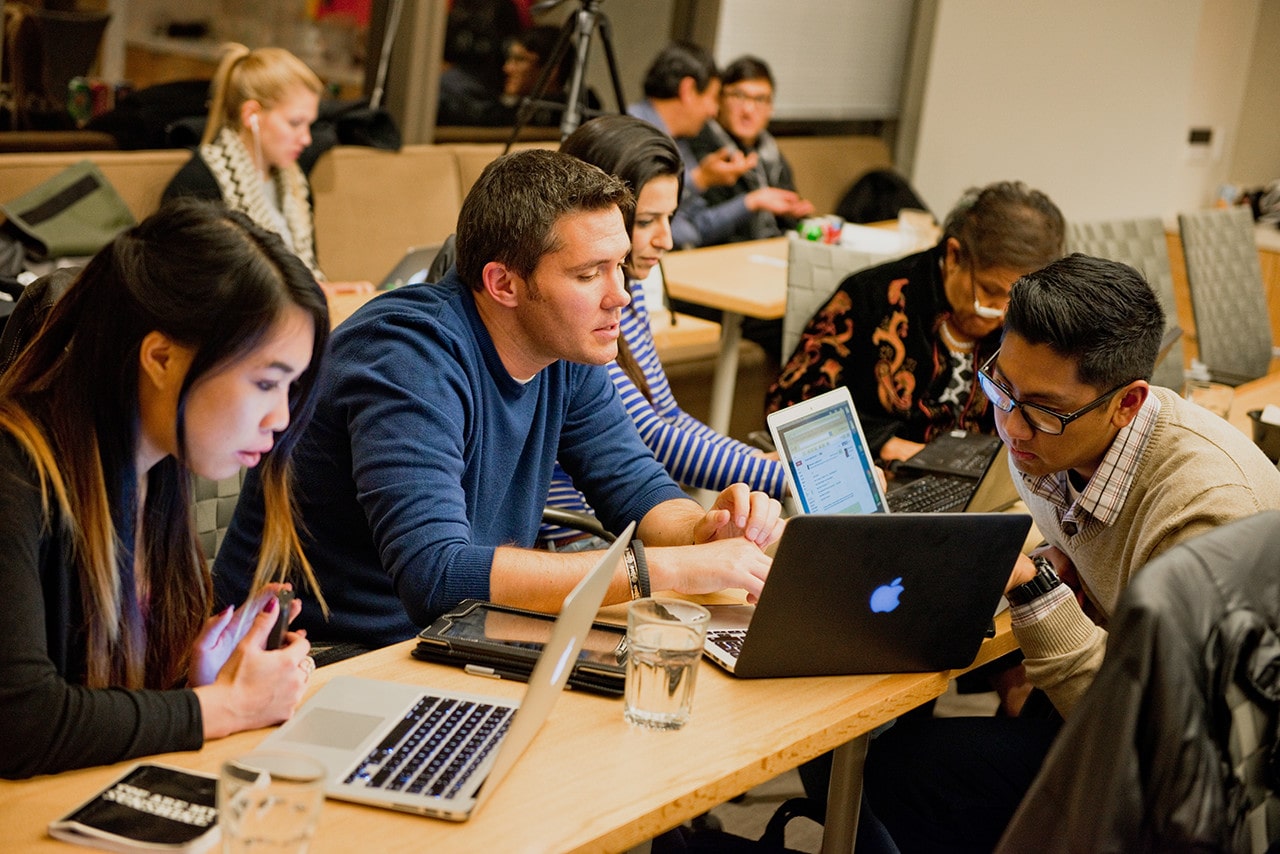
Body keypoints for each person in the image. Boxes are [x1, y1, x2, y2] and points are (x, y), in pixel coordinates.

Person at [213, 149, 784, 649]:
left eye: (619, 267)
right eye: (590, 275)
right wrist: (671, 568)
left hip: (446, 637)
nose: (621, 296)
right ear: (503, 283)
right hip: (312, 653)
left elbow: (639, 490)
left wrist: (704, 530)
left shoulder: (563, 349)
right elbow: (436, 578)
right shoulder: (407, 359)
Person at [860, 254, 1280, 852]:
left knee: (901, 774)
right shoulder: (1054, 438)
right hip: (1137, 692)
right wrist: (1061, 559)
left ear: (1128, 403)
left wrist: (1034, 587)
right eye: (1002, 388)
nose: (1012, 428)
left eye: (1043, 410)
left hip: (1200, 779)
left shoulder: (1204, 510)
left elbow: (1160, 739)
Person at [0, 199, 331, 779]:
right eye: (265, 383)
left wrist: (198, 681)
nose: (280, 417)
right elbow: (22, 723)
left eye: (291, 388)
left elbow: (100, 697)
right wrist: (224, 705)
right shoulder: (14, 473)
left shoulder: (158, 471)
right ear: (160, 357)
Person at [540, 115, 786, 544]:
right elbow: (651, 438)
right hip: (574, 530)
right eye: (647, 221)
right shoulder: (576, 308)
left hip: (610, 523)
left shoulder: (627, 289)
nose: (666, 239)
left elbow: (666, 416)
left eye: (670, 217)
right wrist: (780, 474)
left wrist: (760, 464)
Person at [767, 181, 1066, 464]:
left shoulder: (1029, 323)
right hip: (886, 472)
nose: (1000, 314)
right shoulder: (872, 297)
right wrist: (885, 444)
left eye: (1014, 299)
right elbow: (791, 402)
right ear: (953, 256)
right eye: (988, 291)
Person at [162, 44, 370, 293]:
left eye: (310, 125)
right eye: (295, 123)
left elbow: (305, 278)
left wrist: (326, 291)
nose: (307, 139)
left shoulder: (295, 183)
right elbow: (197, 292)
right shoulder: (197, 184)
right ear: (251, 114)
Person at [628, 42, 808, 250]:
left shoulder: (679, 142)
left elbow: (696, 226)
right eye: (714, 98)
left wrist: (751, 201)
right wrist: (701, 179)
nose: (713, 111)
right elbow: (642, 211)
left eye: (761, 100)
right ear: (688, 90)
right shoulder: (630, 134)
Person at [689, 55, 815, 243]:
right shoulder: (701, 145)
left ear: (771, 107)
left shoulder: (770, 152)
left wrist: (794, 213)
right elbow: (699, 228)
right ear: (719, 99)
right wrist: (753, 202)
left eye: (760, 99)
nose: (748, 110)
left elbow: (788, 218)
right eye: (739, 96)